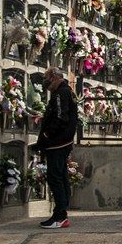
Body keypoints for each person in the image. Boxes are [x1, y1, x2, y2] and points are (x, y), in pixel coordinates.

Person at [34, 67, 78, 229]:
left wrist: (47, 134)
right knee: (61, 176)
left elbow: (60, 117)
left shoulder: (61, 93)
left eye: (46, 79)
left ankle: (60, 216)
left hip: (57, 143)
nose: (45, 83)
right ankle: (61, 213)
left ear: (53, 77)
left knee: (55, 177)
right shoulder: (67, 91)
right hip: (63, 141)